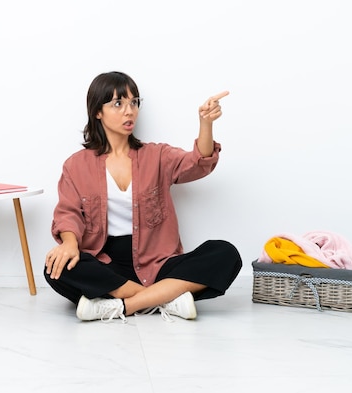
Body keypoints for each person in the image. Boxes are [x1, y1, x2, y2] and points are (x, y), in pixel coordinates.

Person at [44, 71, 242, 322]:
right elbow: (68, 213)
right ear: (97, 112)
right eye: (118, 103)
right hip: (105, 263)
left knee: (225, 253)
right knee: (55, 268)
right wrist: (70, 244)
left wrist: (206, 124)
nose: (130, 111)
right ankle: (166, 299)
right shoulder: (76, 165)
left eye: (134, 102)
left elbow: (197, 163)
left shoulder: (156, 155)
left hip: (157, 263)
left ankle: (123, 306)